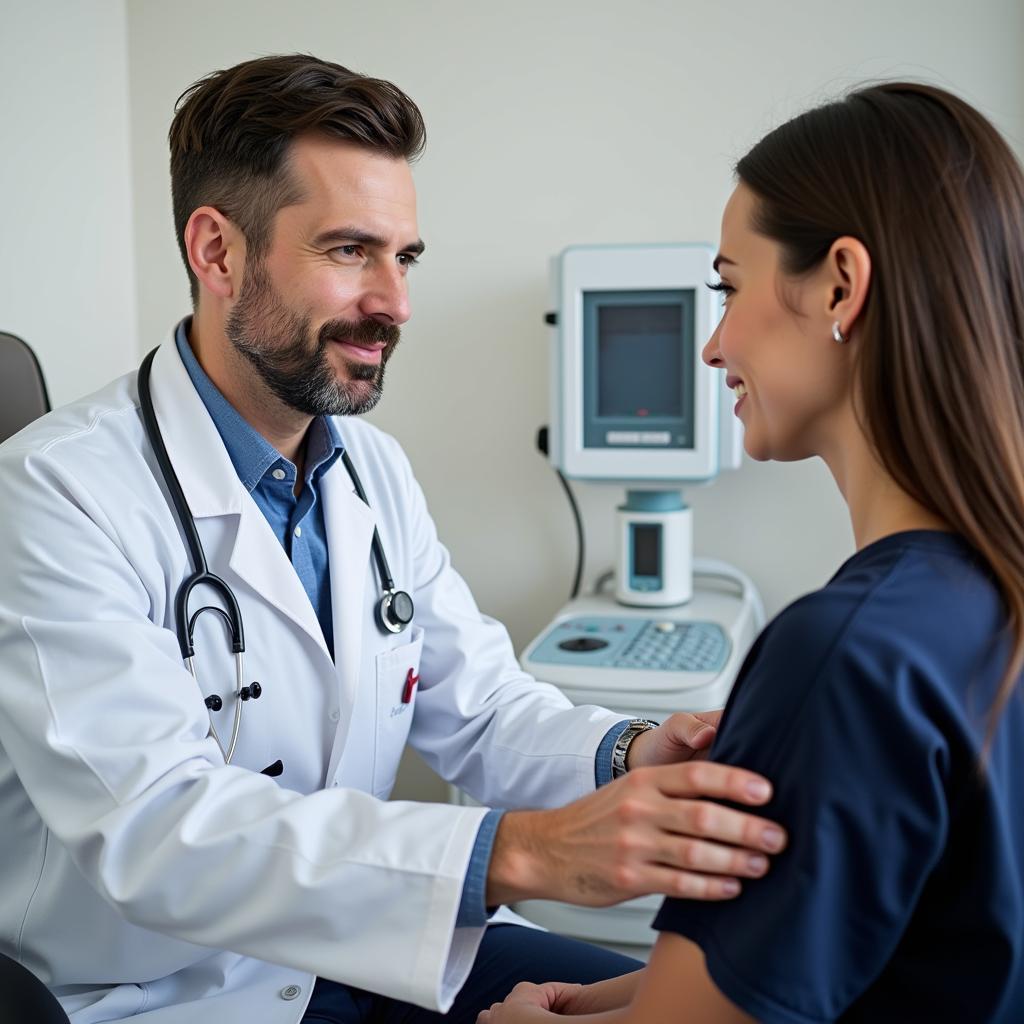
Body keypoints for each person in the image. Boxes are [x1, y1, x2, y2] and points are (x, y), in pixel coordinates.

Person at [0, 55, 788, 1024]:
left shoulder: (370, 468)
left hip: (365, 953)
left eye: (403, 256)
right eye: (348, 251)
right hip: (164, 992)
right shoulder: (54, 490)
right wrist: (524, 853)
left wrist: (629, 752)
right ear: (217, 251)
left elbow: (480, 709)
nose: (395, 302)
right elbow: (158, 830)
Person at [479, 81, 1024, 1024]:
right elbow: (806, 970)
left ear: (842, 286)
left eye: (728, 289)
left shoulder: (842, 654)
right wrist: (582, 1001)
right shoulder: (980, 598)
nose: (713, 345)